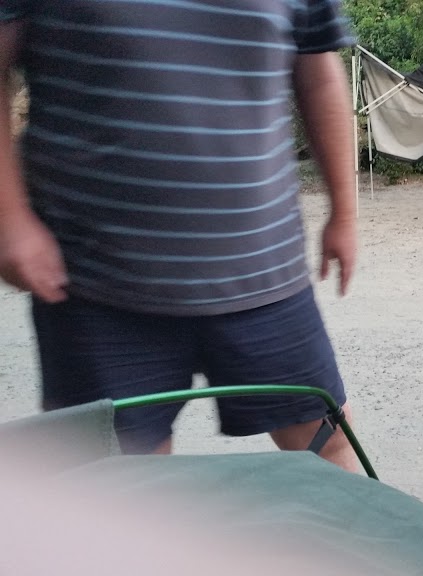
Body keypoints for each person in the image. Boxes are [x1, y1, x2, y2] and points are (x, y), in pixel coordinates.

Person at [0, 0, 363, 472]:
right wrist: (10, 219)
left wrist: (345, 212)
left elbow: (318, 71)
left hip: (265, 274)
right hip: (98, 285)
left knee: (332, 452)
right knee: (125, 494)